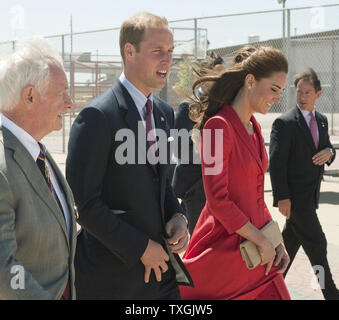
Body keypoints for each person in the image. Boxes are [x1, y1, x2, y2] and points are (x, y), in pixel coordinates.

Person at [66, 12, 192, 300]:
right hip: (114, 280)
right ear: (129, 51)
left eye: (170, 51)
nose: (167, 59)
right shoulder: (96, 116)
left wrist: (178, 215)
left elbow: (161, 184)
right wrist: (141, 248)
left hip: (162, 276)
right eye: (157, 51)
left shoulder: (163, 112)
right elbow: (84, 204)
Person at [179, 45, 291, 300]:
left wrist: (275, 240)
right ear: (250, 81)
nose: (277, 98)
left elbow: (256, 197)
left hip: (256, 252)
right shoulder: (218, 127)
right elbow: (218, 201)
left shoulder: (255, 128)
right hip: (226, 252)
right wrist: (263, 242)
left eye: (281, 92)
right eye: (274, 89)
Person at [0, 37, 77, 299]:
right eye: (62, 93)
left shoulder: (37, 152)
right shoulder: (2, 167)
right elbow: (4, 272)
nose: (70, 104)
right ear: (30, 96)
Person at [269, 68, 339, 300]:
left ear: (318, 94)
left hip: (311, 197)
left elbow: (327, 148)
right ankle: (331, 294)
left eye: (308, 92)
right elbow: (277, 162)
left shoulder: (321, 120)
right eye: (299, 91)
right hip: (295, 199)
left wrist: (329, 153)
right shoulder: (285, 122)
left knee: (289, 245)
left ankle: (268, 290)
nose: (302, 96)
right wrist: (282, 197)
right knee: (318, 243)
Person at [172, 52, 224, 234]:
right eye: (215, 75)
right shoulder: (188, 106)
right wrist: (206, 153)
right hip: (196, 186)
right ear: (202, 76)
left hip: (218, 185)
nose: (219, 80)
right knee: (199, 238)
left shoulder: (225, 106)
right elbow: (179, 148)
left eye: (222, 75)